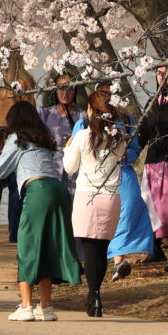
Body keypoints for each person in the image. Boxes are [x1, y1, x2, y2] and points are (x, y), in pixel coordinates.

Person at [0, 102, 81, 321]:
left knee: (27, 245)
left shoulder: (16, 139)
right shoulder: (43, 138)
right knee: (48, 248)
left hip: (37, 190)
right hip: (57, 190)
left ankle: (26, 306)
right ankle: (47, 308)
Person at [70, 84, 154, 282]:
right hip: (93, 179)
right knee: (93, 225)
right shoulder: (82, 125)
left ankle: (118, 261)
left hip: (123, 173)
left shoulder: (125, 121)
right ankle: (96, 261)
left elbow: (134, 149)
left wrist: (127, 154)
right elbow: (76, 153)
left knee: (127, 214)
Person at [64, 90, 127, 317]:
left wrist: (66, 148)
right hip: (111, 197)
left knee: (90, 250)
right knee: (101, 249)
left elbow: (70, 167)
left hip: (87, 197)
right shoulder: (119, 137)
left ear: (92, 110)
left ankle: (94, 295)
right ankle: (96, 293)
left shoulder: (82, 136)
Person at [0, 45, 36, 242]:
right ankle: (16, 233)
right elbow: (30, 113)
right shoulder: (25, 81)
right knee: (16, 183)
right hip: (14, 131)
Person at [138, 66, 168, 272]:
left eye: (166, 72)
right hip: (152, 162)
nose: (162, 77)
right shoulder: (151, 103)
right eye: (158, 73)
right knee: (149, 207)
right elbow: (143, 133)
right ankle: (155, 249)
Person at [39, 74, 84, 195]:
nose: (65, 93)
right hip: (50, 170)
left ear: (75, 90)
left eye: (70, 89)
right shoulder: (45, 114)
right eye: (61, 88)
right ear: (55, 89)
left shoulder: (82, 115)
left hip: (74, 172)